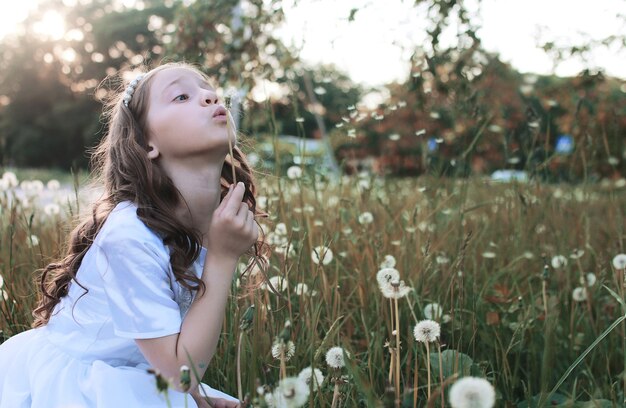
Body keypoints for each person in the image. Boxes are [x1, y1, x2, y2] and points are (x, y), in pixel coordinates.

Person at [0, 62, 266, 407]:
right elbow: (180, 373)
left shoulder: (209, 218)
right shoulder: (130, 235)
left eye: (207, 89)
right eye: (182, 95)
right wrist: (222, 256)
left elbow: (170, 357)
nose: (209, 96)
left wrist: (196, 396)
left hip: (147, 371)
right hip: (79, 383)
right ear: (147, 143)